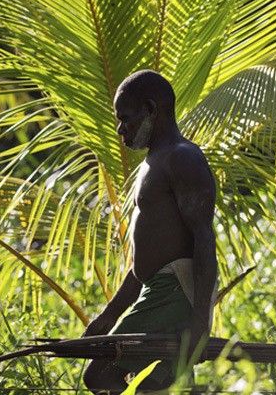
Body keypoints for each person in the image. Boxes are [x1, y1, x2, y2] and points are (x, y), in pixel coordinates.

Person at [82, 70, 218, 393]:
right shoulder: (153, 163)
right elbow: (145, 265)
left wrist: (200, 323)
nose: (120, 129)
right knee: (155, 387)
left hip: (175, 292)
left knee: (99, 374)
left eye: (125, 119)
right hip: (159, 290)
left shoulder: (183, 158)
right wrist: (108, 316)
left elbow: (204, 239)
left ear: (150, 110)